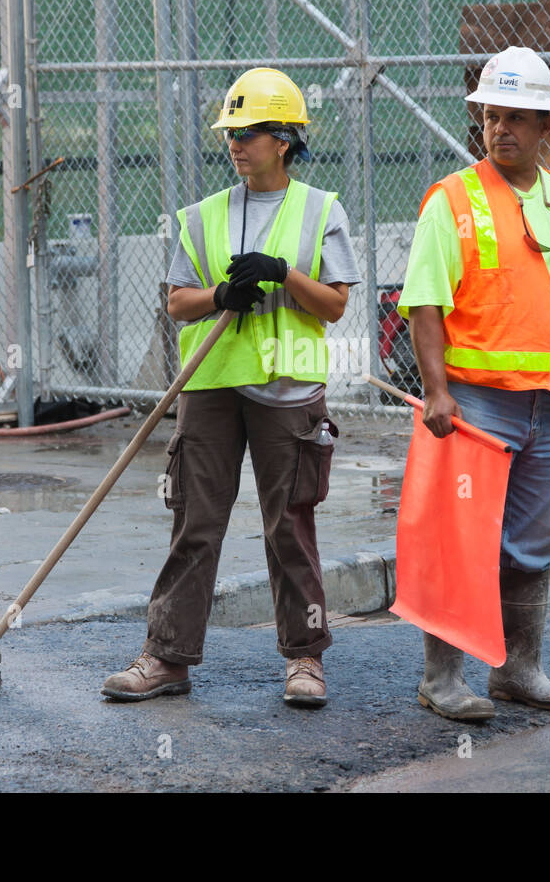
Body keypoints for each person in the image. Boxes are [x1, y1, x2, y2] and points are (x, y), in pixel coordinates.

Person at [102, 68, 361, 708]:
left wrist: (281, 274)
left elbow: (333, 305)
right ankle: (167, 657)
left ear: (284, 139)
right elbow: (176, 303)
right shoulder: (201, 216)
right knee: (195, 523)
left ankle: (305, 660)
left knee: (288, 526)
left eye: (247, 133)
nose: (235, 144)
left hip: (288, 392)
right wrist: (221, 294)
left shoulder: (321, 210)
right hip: (212, 388)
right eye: (230, 133)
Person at [397, 46, 550, 721]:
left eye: (517, 119)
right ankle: (442, 679)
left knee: (532, 543)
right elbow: (425, 301)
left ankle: (517, 671)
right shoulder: (454, 201)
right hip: (477, 404)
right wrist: (437, 392)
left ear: (546, 127)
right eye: (493, 117)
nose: (502, 130)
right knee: (461, 541)